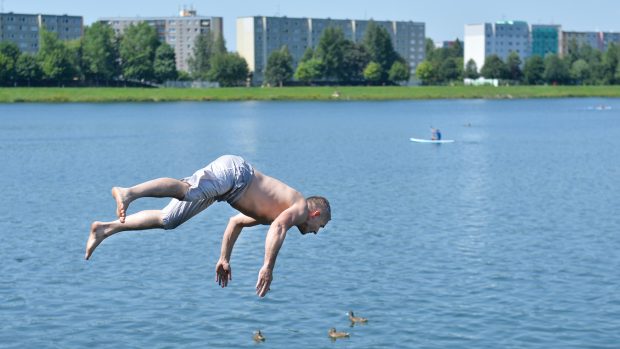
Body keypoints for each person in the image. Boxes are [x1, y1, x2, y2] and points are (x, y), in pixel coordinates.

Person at [85, 155, 331, 297]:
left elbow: (235, 223)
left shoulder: (279, 211)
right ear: (316, 213)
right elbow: (277, 229)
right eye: (322, 225)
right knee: (187, 191)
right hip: (236, 174)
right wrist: (267, 267)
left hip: (225, 190)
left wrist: (224, 258)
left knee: (168, 220)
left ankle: (106, 229)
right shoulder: (298, 206)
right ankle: (128, 192)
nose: (318, 231)